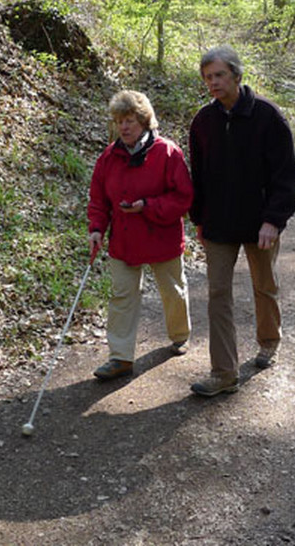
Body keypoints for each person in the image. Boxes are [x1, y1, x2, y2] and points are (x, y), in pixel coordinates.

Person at [187, 46, 295, 396]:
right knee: (218, 294)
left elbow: (286, 175)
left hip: (260, 222)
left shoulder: (268, 116)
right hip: (219, 223)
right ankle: (224, 372)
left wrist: (273, 220)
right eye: (208, 77)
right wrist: (199, 218)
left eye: (219, 75)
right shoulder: (203, 121)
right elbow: (199, 176)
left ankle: (269, 341)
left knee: (264, 285)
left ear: (236, 75)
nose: (213, 83)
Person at [87, 90, 194, 380]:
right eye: (120, 121)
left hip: (161, 237)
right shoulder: (108, 158)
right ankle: (120, 358)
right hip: (124, 241)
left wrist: (147, 206)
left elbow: (183, 198)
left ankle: (180, 335)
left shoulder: (168, 152)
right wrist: (96, 229)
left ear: (144, 121)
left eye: (130, 120)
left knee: (173, 290)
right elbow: (98, 200)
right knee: (122, 295)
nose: (124, 126)